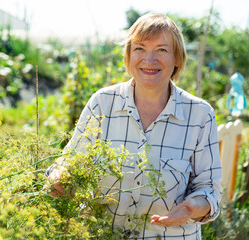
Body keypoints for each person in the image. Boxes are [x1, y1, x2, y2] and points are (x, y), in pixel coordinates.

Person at [46, 13, 222, 239]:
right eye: (139, 48)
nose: (149, 60)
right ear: (128, 56)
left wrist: (190, 208)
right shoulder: (102, 103)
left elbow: (209, 189)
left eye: (161, 50)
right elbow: (69, 162)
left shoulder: (200, 114)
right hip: (105, 234)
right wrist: (59, 177)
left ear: (177, 58)